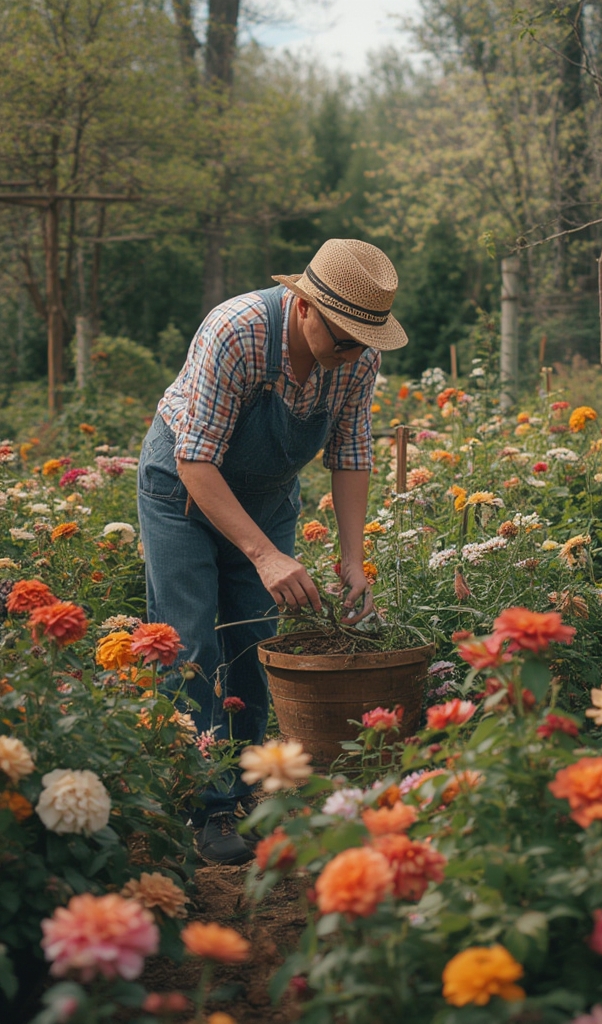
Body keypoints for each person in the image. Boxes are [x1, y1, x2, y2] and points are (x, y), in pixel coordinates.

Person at [137, 239, 408, 864]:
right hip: (183, 494)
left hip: (265, 499)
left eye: (365, 343)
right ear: (305, 307)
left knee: (256, 644)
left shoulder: (357, 356)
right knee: (191, 643)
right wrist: (264, 556)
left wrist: (352, 558)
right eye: (346, 340)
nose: (355, 354)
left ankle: (250, 793)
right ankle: (201, 803)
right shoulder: (237, 332)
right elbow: (195, 461)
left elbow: (350, 455)